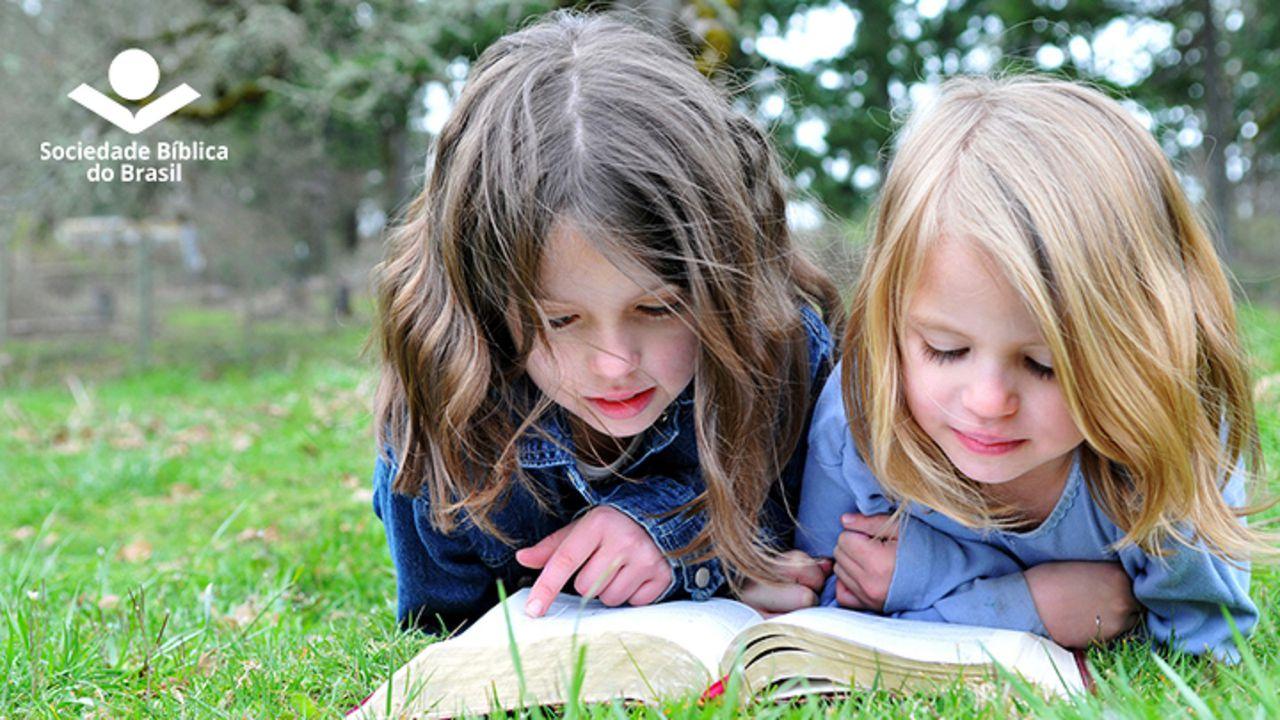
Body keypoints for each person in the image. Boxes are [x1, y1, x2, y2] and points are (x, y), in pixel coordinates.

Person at [371, 11, 841, 632]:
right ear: (487, 302)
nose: (616, 363)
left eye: (659, 307)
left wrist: (673, 546)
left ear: (727, 276)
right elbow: (444, 631)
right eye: (561, 319)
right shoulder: (443, 410)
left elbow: (795, 546)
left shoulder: (778, 351)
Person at [797, 76, 1273, 659]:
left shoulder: (1165, 447)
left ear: (1140, 347)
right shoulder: (859, 418)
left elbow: (1206, 647)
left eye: (1046, 364)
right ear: (889, 321)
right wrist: (1029, 602)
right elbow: (817, 615)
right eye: (945, 349)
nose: (989, 400)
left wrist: (928, 585)